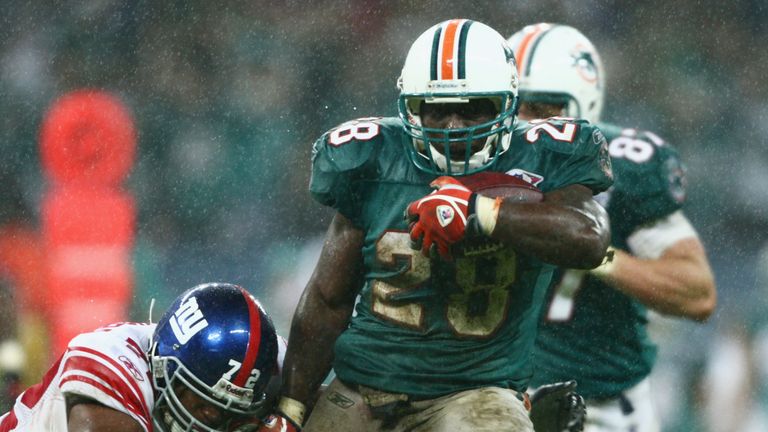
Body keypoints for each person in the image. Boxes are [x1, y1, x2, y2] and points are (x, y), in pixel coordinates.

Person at [263, 19, 613, 432]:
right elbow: (328, 300)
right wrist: (291, 410)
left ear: (508, 105)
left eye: (471, 108)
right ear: (411, 107)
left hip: (475, 391)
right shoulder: (374, 159)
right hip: (363, 387)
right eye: (437, 108)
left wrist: (481, 213)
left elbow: (589, 238)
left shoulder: (542, 155)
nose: (452, 125)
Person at [508, 23, 717, 431]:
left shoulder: (623, 168)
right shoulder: (471, 164)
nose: (524, 122)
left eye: (541, 106)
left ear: (583, 105)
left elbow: (697, 292)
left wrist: (593, 253)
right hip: (491, 398)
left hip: (598, 408)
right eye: (512, 106)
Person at [0, 282, 284, 432]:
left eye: (228, 407)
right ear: (163, 369)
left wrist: (292, 414)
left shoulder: (257, 361)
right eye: (202, 398)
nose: (212, 416)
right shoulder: (108, 367)